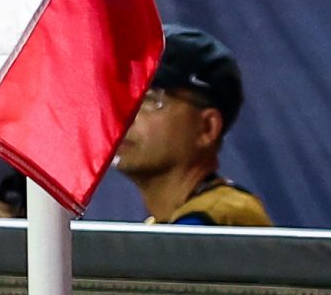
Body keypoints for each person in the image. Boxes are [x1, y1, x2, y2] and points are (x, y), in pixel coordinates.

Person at [113, 27, 270, 226]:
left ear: (207, 128)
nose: (124, 115)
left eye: (150, 99)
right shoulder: (164, 225)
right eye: (123, 97)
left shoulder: (218, 219)